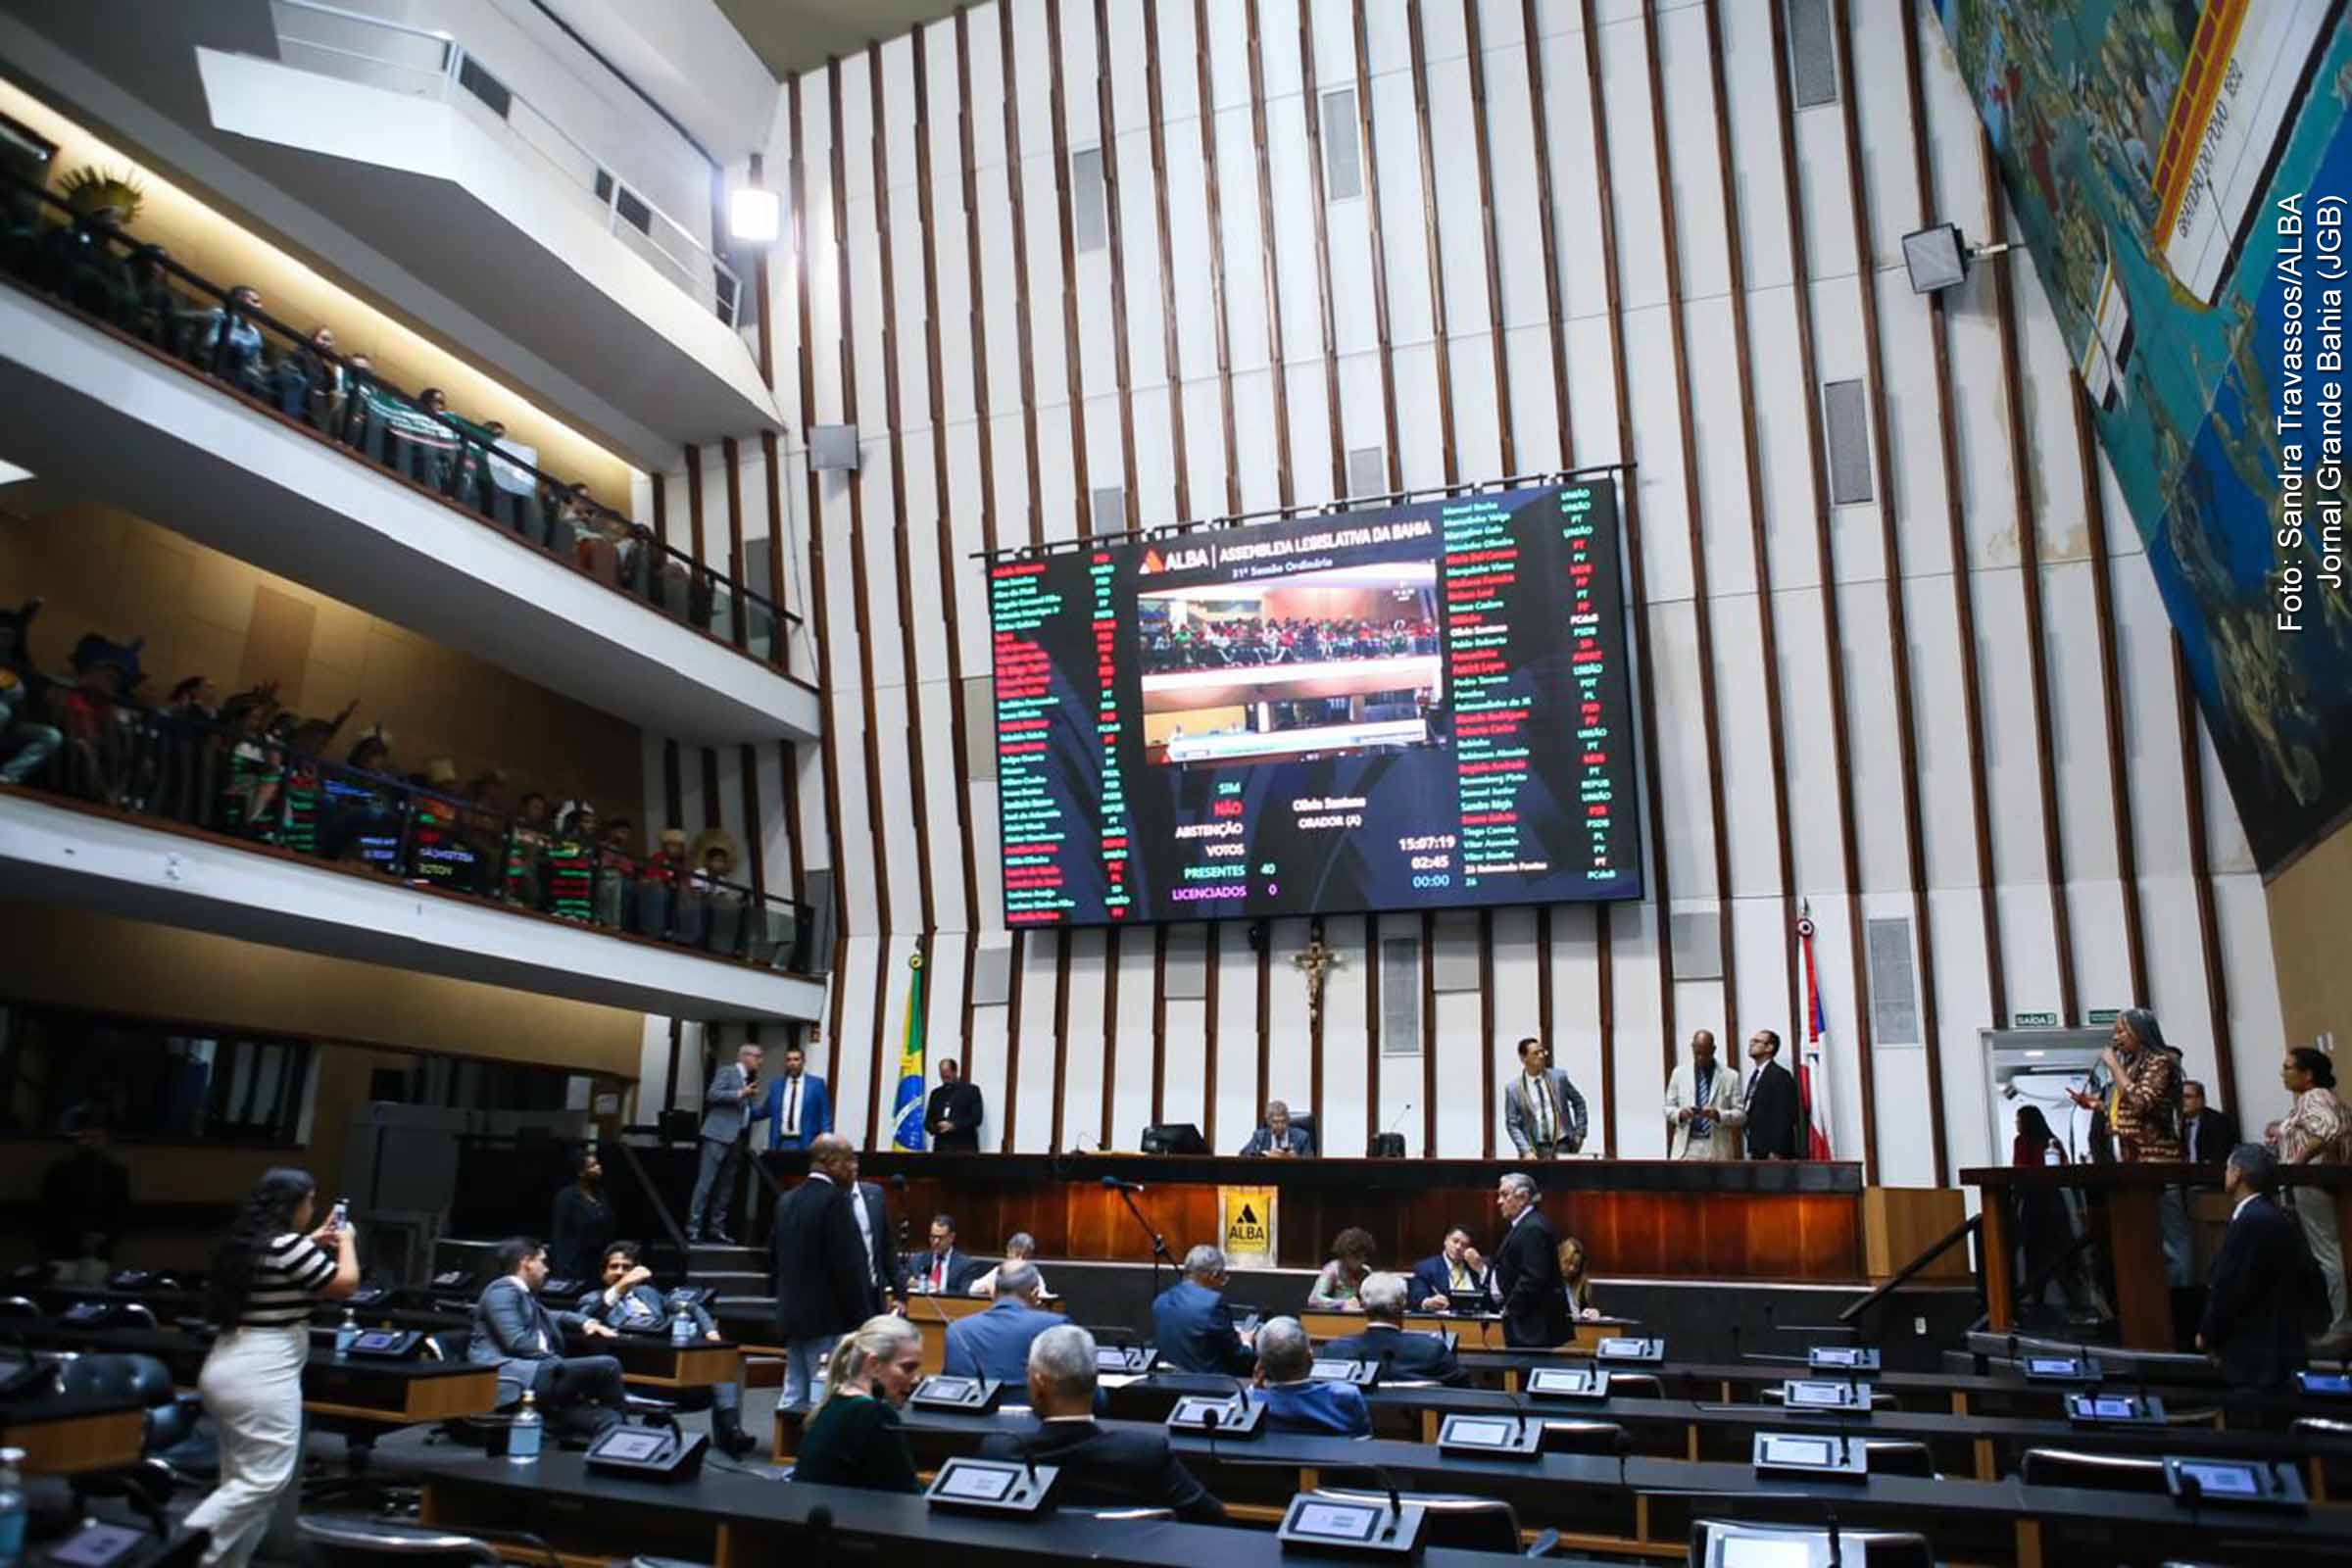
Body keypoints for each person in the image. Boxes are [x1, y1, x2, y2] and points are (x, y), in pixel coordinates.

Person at [185, 1168, 359, 1568]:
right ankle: (179, 1553)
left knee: (243, 1486)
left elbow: (284, 1260)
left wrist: (314, 1239)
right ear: (294, 1205)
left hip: (229, 1362)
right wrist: (347, 1242)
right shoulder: (287, 1247)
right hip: (263, 1372)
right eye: (310, 1201)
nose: (313, 1208)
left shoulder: (249, 1244)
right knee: (262, 1482)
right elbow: (345, 1284)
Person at [980, 1325, 1225, 1521]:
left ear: (1038, 1381)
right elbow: (1213, 1518)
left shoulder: (1002, 1451)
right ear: (1096, 1379)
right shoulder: (1145, 1454)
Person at [576, 1241, 754, 1456]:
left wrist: (710, 1332)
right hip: (632, 1372)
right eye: (614, 1267)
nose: (620, 1272)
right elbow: (587, 1317)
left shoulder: (648, 1294)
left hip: (669, 1363)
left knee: (720, 1362)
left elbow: (690, 1306)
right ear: (603, 1271)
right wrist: (620, 1288)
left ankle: (731, 1431)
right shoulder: (592, 1299)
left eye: (626, 1267)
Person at [2068, 1009, 2187, 1283]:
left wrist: (2114, 1066)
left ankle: (2181, 1297)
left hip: (2157, 1165)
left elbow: (2143, 1102)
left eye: (2122, 1031)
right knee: (2145, 1240)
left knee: (2171, 1243)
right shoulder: (2133, 1064)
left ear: (2141, 1032)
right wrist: (2095, 1104)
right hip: (2132, 1164)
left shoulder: (2161, 1061)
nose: (2117, 1037)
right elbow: (2125, 1108)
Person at [467, 1237, 625, 1441]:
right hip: (513, 1377)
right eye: (543, 1261)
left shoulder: (523, 1295)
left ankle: (620, 1441)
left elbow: (551, 1316)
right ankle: (623, 1438)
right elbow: (516, 1341)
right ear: (526, 1262)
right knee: (608, 1366)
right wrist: (557, 1363)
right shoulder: (502, 1290)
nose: (547, 1269)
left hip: (535, 1373)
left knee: (608, 1418)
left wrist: (586, 1323)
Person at [2198, 1145, 2317, 1395]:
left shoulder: (2249, 1220)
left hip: (2255, 1355)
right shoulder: (2282, 1216)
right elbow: (2312, 1278)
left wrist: (2209, 1333)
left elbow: (2230, 1288)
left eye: (2228, 1169)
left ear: (2237, 1173)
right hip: (2287, 1347)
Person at [774, 1135, 875, 1405]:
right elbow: (848, 1267)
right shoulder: (835, 1201)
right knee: (825, 1395)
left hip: (792, 1315)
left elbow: (772, 1257)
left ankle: (786, 1447)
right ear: (829, 1162)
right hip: (828, 1320)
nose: (853, 1166)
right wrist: (864, 1320)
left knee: (793, 1392)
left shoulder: (786, 1200)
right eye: (848, 1159)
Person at [2270, 1046, 2352, 1352]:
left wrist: (2298, 1163)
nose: (2283, 1072)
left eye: (2289, 1067)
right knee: (2333, 1250)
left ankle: (2342, 1324)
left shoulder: (2314, 1097)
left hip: (2315, 1184)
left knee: (2328, 1253)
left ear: (2307, 1074)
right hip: (2321, 1184)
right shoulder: (2323, 1098)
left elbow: (2328, 1130)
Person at [792, 1315, 923, 1493]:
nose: (916, 1379)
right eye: (907, 1368)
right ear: (874, 1364)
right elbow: (908, 1493)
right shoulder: (875, 1414)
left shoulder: (835, 1401)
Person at [2012, 1104, 2093, 1316]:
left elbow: (2019, 1170)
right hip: (2055, 1201)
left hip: (2034, 1201)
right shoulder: (2053, 1140)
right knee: (2062, 1253)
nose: (2016, 1124)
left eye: (2018, 1120)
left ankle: (2035, 1303)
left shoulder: (2022, 1141)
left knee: (2035, 1255)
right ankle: (2077, 1303)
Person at [1323, 1272, 1467, 1385]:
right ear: (1403, 1304)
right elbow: (1464, 1393)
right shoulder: (1433, 1349)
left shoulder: (1336, 1350)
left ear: (1363, 1306)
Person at [688, 1039, 761, 1243]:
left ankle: (716, 1228)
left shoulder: (747, 1079)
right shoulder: (728, 1071)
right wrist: (740, 1093)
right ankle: (692, 1228)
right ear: (745, 1056)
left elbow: (743, 1111)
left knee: (726, 1186)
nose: (760, 1061)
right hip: (717, 1135)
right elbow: (712, 1095)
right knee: (706, 1183)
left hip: (736, 1138)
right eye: (757, 1057)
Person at [38, 1113, 129, 1276]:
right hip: (63, 1247)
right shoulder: (59, 1171)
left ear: (105, 1139)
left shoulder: (116, 1173)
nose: (89, 1142)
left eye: (95, 1137)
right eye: (85, 1136)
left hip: (96, 1249)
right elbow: (50, 1209)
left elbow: (120, 1211)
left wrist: (102, 1237)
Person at [942, 1260, 1060, 1383]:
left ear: (993, 1293)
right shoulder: (1055, 1327)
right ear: (1035, 1294)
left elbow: (953, 1384)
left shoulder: (957, 1331)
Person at [1250, 1315, 1370, 1437]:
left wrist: (1254, 1391)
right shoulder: (1345, 1396)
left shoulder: (1248, 1403)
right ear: (1310, 1358)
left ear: (1261, 1366)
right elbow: (1362, 1441)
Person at [1492, 1172, 1569, 1348]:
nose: (1499, 1201)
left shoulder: (1533, 1228)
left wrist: (1510, 1309)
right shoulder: (1525, 1225)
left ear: (1523, 1197)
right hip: (1528, 1325)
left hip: (1532, 1327)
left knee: (1527, 1375)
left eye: (1504, 1195)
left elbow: (1533, 1277)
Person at [1152, 1244, 1256, 1375]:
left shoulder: (1160, 1301)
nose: (1222, 1283)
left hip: (1170, 1384)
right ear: (1213, 1275)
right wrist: (1247, 1342)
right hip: (1210, 1387)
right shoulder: (1213, 1303)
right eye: (1222, 1277)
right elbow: (1239, 1357)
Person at [1665, 1031, 1743, 1161]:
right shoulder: (1679, 1073)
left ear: (1713, 1050)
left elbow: (1740, 1115)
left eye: (1706, 1054)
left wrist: (1718, 1115)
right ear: (1692, 1048)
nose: (1701, 1058)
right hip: (1687, 1146)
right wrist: (1680, 1114)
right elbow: (1668, 1108)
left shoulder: (1730, 1076)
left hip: (1717, 1148)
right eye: (1697, 1053)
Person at [1503, 1037, 1586, 1157]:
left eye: (1543, 1052)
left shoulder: (1559, 1078)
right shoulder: (1514, 1089)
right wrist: (1525, 1150)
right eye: (1536, 1053)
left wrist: (1580, 1133)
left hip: (1563, 1143)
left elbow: (1579, 1102)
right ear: (1523, 1058)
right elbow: (1512, 1124)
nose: (1541, 1056)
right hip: (1534, 1147)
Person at [547, 1149, 614, 1284]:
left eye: (598, 1164)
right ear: (581, 1172)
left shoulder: (600, 1194)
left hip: (597, 1261)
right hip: (575, 1262)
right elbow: (558, 1233)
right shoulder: (566, 1196)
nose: (598, 1168)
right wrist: (562, 1266)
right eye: (593, 1166)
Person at [1740, 1030, 1804, 1159]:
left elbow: (1784, 1116)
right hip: (1757, 1148)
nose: (1752, 1044)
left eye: (1757, 1041)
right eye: (1751, 1041)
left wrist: (1776, 1151)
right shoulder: (1756, 1075)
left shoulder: (1780, 1075)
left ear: (1770, 1047)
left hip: (1773, 1152)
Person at [756, 1042, 832, 1152]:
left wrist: (826, 1143)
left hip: (807, 1142)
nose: (792, 1063)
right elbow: (765, 1110)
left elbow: (825, 1117)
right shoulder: (777, 1085)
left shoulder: (816, 1084)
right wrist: (742, 1112)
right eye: (789, 1060)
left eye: (796, 1059)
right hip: (781, 1143)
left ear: (803, 1061)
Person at [1408, 1227, 1492, 1312]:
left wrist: (1481, 1270)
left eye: (1464, 1245)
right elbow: (1417, 1297)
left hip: (1477, 1320)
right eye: (1455, 1241)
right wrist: (1427, 1302)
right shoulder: (1426, 1267)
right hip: (1443, 1321)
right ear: (1446, 1241)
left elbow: (1494, 1298)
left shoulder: (1477, 1267)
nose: (1458, 1247)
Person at [902, 1212, 983, 1296]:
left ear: (952, 1237)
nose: (936, 1242)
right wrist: (913, 1282)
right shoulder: (917, 1260)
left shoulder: (965, 1265)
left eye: (940, 1238)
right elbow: (902, 1280)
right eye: (933, 1237)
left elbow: (964, 1295)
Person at [1305, 1227, 1378, 1308]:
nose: (1362, 1261)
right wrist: (1343, 1303)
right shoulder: (1332, 1270)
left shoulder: (1366, 1272)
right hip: (1333, 1318)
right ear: (1345, 1255)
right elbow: (1314, 1299)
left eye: (1364, 1257)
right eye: (1357, 1257)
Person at [925, 1055, 985, 1152]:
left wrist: (953, 1125)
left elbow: (977, 1118)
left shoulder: (971, 1091)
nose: (944, 1076)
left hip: (964, 1148)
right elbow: (928, 1122)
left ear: (955, 1071)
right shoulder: (935, 1094)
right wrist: (937, 1127)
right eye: (942, 1073)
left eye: (947, 1072)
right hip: (941, 1148)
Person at [968, 1232, 1048, 1298]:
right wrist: (989, 1287)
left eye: (1025, 1256)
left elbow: (1043, 1298)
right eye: (1016, 1254)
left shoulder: (1034, 1275)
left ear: (1030, 1256)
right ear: (1008, 1252)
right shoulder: (998, 1272)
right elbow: (973, 1289)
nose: (1019, 1259)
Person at [2180, 1080, 2239, 1167]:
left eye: (2187, 1097)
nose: (2182, 1101)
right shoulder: (2177, 1123)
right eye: (2179, 1097)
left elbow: (2220, 1155)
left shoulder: (2218, 1122)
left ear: (2201, 1100)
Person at [1237, 1099, 1311, 1157]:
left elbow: (1310, 1160)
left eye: (1283, 1121)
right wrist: (1264, 1154)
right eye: (1275, 1122)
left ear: (1288, 1120)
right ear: (1269, 1122)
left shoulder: (1302, 1137)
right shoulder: (1260, 1136)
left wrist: (1296, 1158)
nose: (1280, 1125)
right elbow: (1244, 1154)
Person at [1558, 1235, 1601, 1320]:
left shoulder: (1582, 1285)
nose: (1572, 1268)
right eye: (1568, 1262)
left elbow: (1585, 1309)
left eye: (1576, 1265)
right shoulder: (1549, 1284)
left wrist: (1592, 1313)